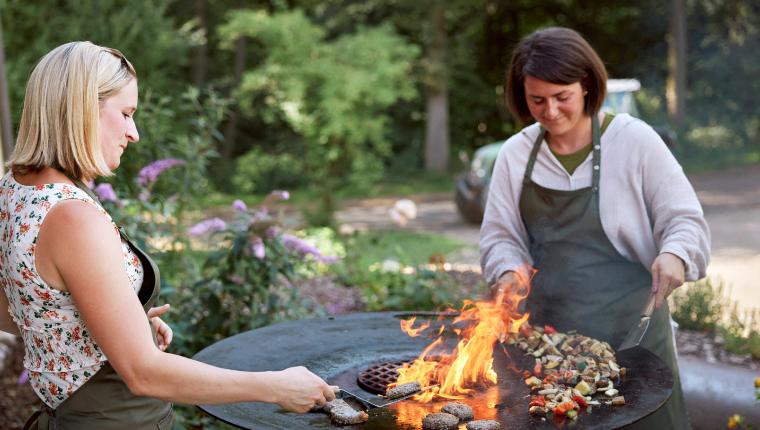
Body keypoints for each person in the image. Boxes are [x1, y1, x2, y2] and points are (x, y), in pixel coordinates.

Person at [0, 41, 335, 429]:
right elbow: (144, 374)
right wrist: (276, 387)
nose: (134, 132)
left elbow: (24, 309)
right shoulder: (72, 215)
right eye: (126, 114)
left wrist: (119, 322)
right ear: (83, 109)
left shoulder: (16, 189)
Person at [480, 27, 709, 429]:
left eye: (561, 97)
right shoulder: (516, 154)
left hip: (633, 337)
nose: (550, 112)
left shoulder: (634, 140)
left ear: (586, 85)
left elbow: (684, 220)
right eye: (537, 100)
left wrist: (675, 254)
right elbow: (500, 236)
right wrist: (507, 272)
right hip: (547, 340)